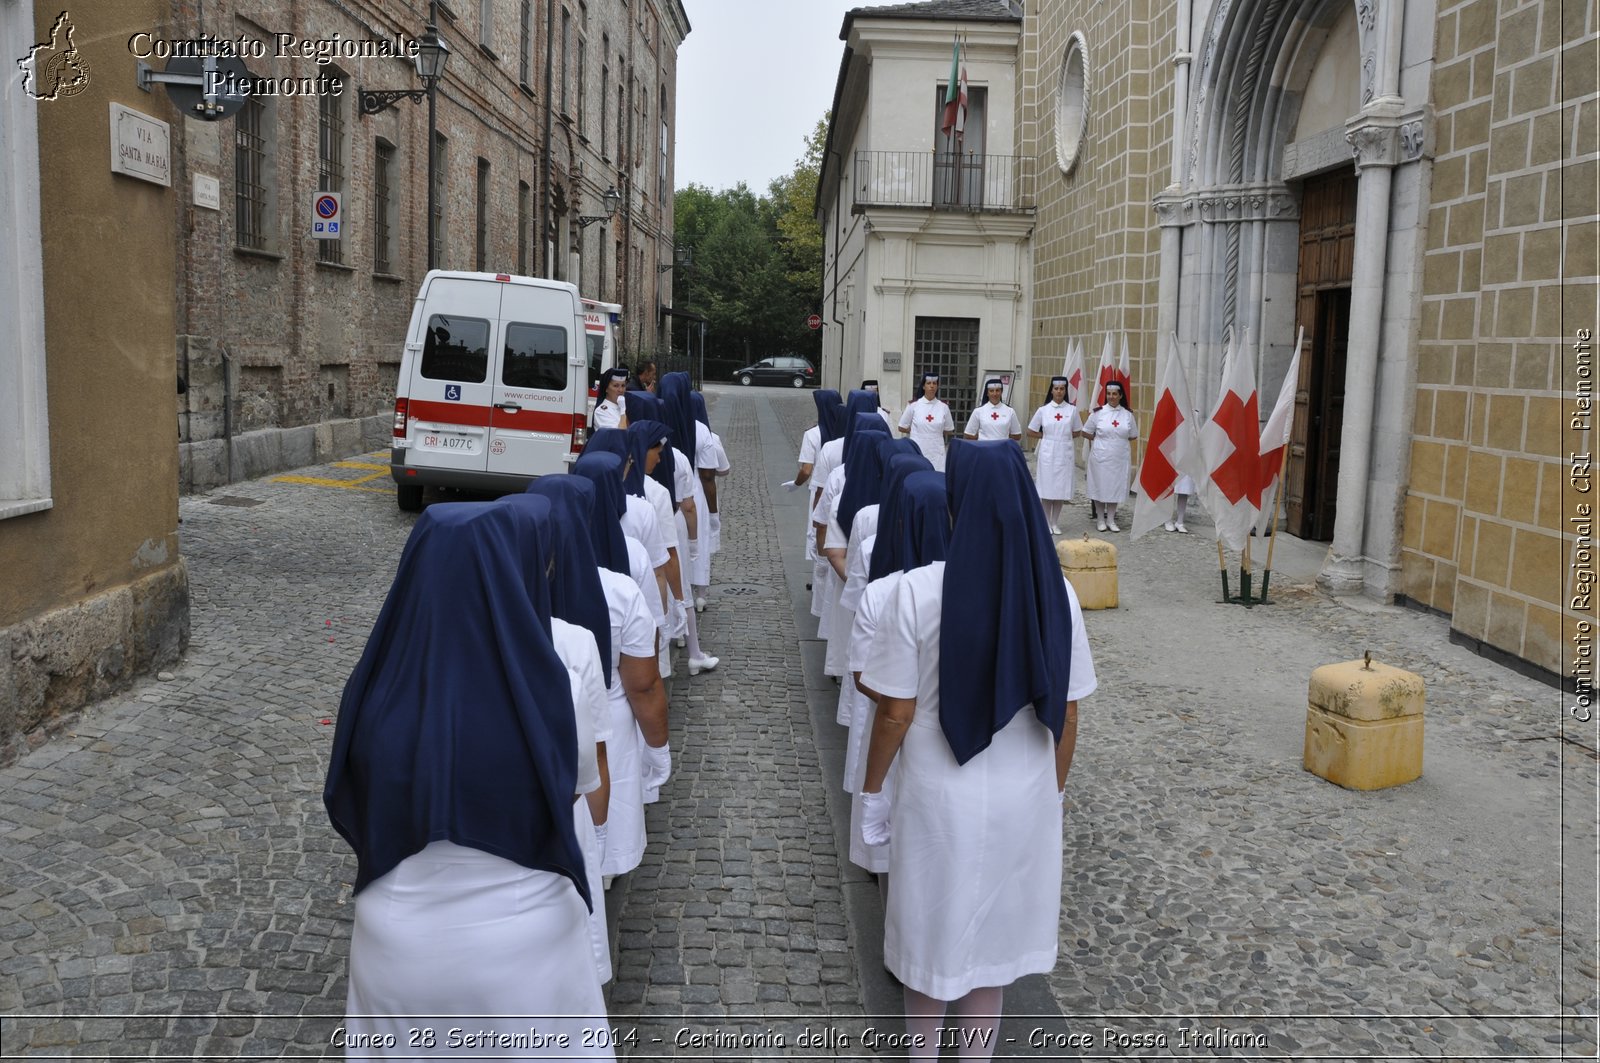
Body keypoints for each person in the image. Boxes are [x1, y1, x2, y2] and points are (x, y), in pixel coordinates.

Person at [325, 500, 614, 1058]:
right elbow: (579, 790)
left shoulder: (372, 693)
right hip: (522, 950)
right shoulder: (554, 691)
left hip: (395, 945)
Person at [858, 441, 1096, 1062]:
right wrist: (1056, 791)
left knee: (927, 934)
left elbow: (895, 711)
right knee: (991, 940)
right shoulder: (1059, 595)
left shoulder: (915, 592)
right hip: (1023, 784)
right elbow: (1067, 710)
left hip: (938, 783)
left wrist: (872, 789)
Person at [1081, 380, 1138, 532]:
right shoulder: (1098, 413)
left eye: (1114, 394)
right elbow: (1085, 431)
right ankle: (1100, 519)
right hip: (1101, 456)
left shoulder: (1127, 414)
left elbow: (1133, 435)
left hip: (1119, 457)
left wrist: (1116, 442)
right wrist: (1100, 440)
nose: (1111, 397)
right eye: (1109, 394)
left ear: (1120, 396)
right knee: (1100, 486)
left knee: (1115, 486)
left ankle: (1111, 519)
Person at [1027, 376, 1080, 534]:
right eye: (1056, 389)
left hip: (1064, 452)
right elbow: (1030, 430)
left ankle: (1055, 522)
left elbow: (1077, 430)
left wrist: (1063, 439)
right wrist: (1046, 437)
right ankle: (1045, 522)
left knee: (1060, 489)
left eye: (1062, 389)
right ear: (1051, 390)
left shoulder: (1072, 410)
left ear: (1065, 391)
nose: (1059, 392)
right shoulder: (1043, 410)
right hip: (1048, 451)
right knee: (1047, 487)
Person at [898, 373, 955, 471]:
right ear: (923, 386)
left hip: (936, 450)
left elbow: (949, 429)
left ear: (937, 386)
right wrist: (917, 431)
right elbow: (901, 426)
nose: (932, 386)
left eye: (934, 383)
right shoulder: (914, 406)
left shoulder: (943, 407)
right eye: (929, 383)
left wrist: (934, 432)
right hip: (918, 447)